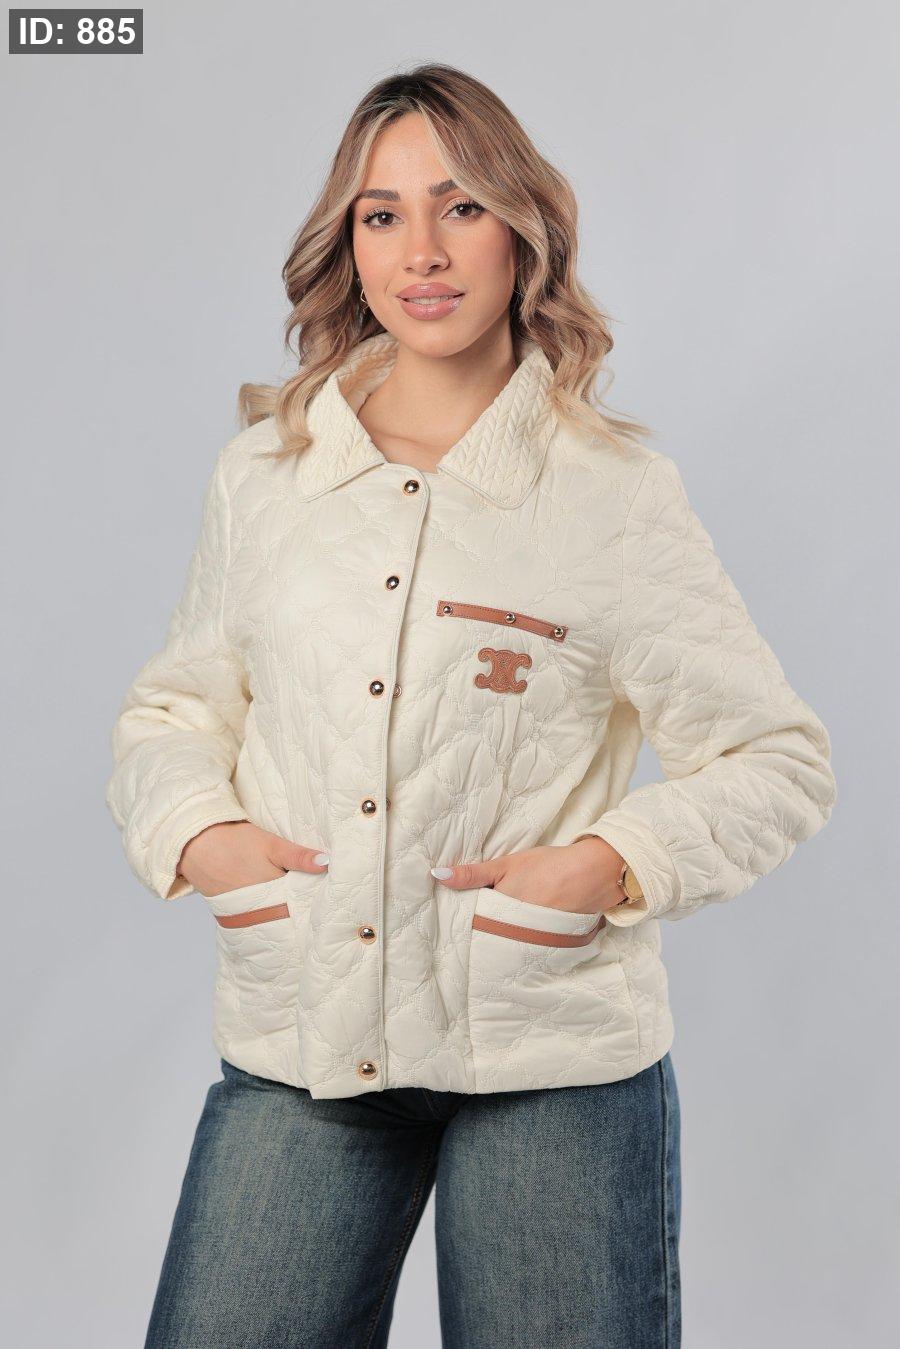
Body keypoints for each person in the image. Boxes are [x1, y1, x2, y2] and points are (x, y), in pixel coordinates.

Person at [105, 63, 837, 1349]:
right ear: (348, 243)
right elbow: (174, 710)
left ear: (523, 230)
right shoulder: (269, 473)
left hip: (549, 1055)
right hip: (305, 1034)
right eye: (382, 215)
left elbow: (778, 757)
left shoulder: (611, 492)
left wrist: (606, 865)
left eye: (461, 207)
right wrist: (207, 843)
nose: (423, 252)